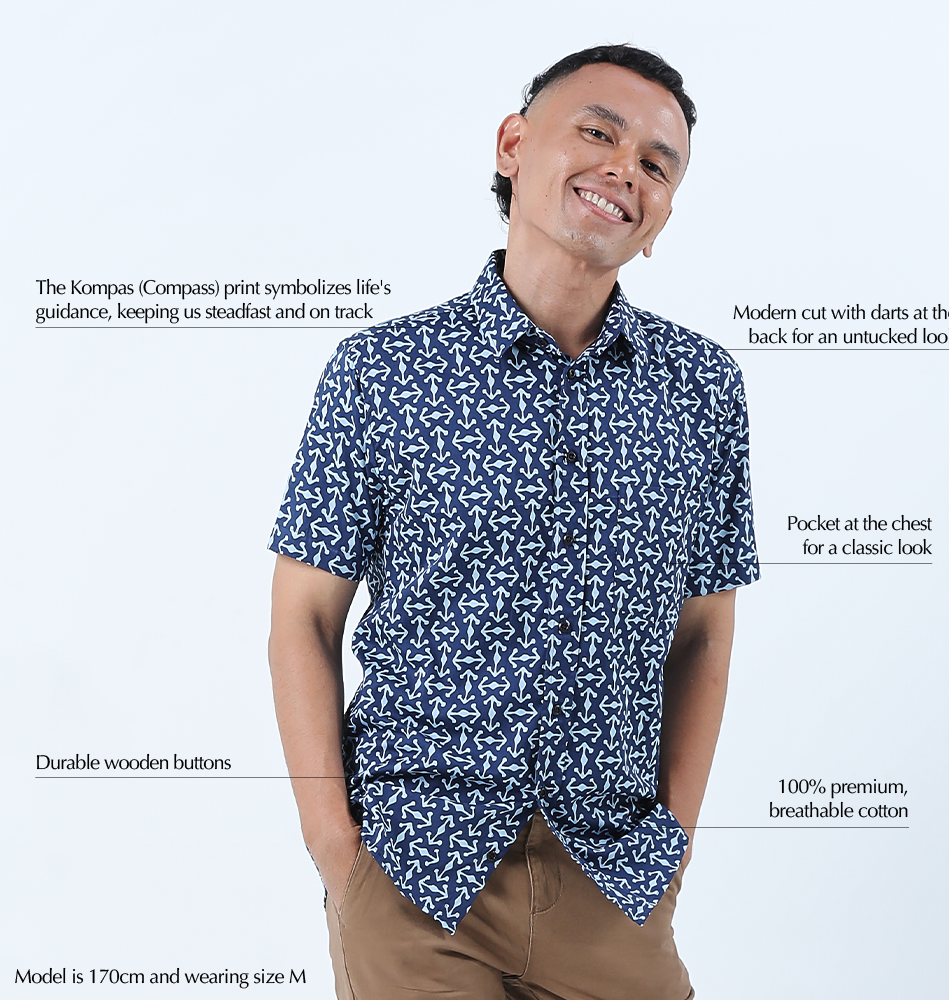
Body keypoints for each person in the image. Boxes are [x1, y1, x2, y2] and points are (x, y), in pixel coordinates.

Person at [267, 43, 759, 1000]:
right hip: (413, 873)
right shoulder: (380, 373)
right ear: (514, 145)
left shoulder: (703, 390)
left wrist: (676, 852)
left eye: (658, 164)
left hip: (612, 878)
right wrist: (339, 854)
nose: (626, 167)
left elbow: (703, 635)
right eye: (599, 131)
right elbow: (303, 619)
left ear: (660, 219)